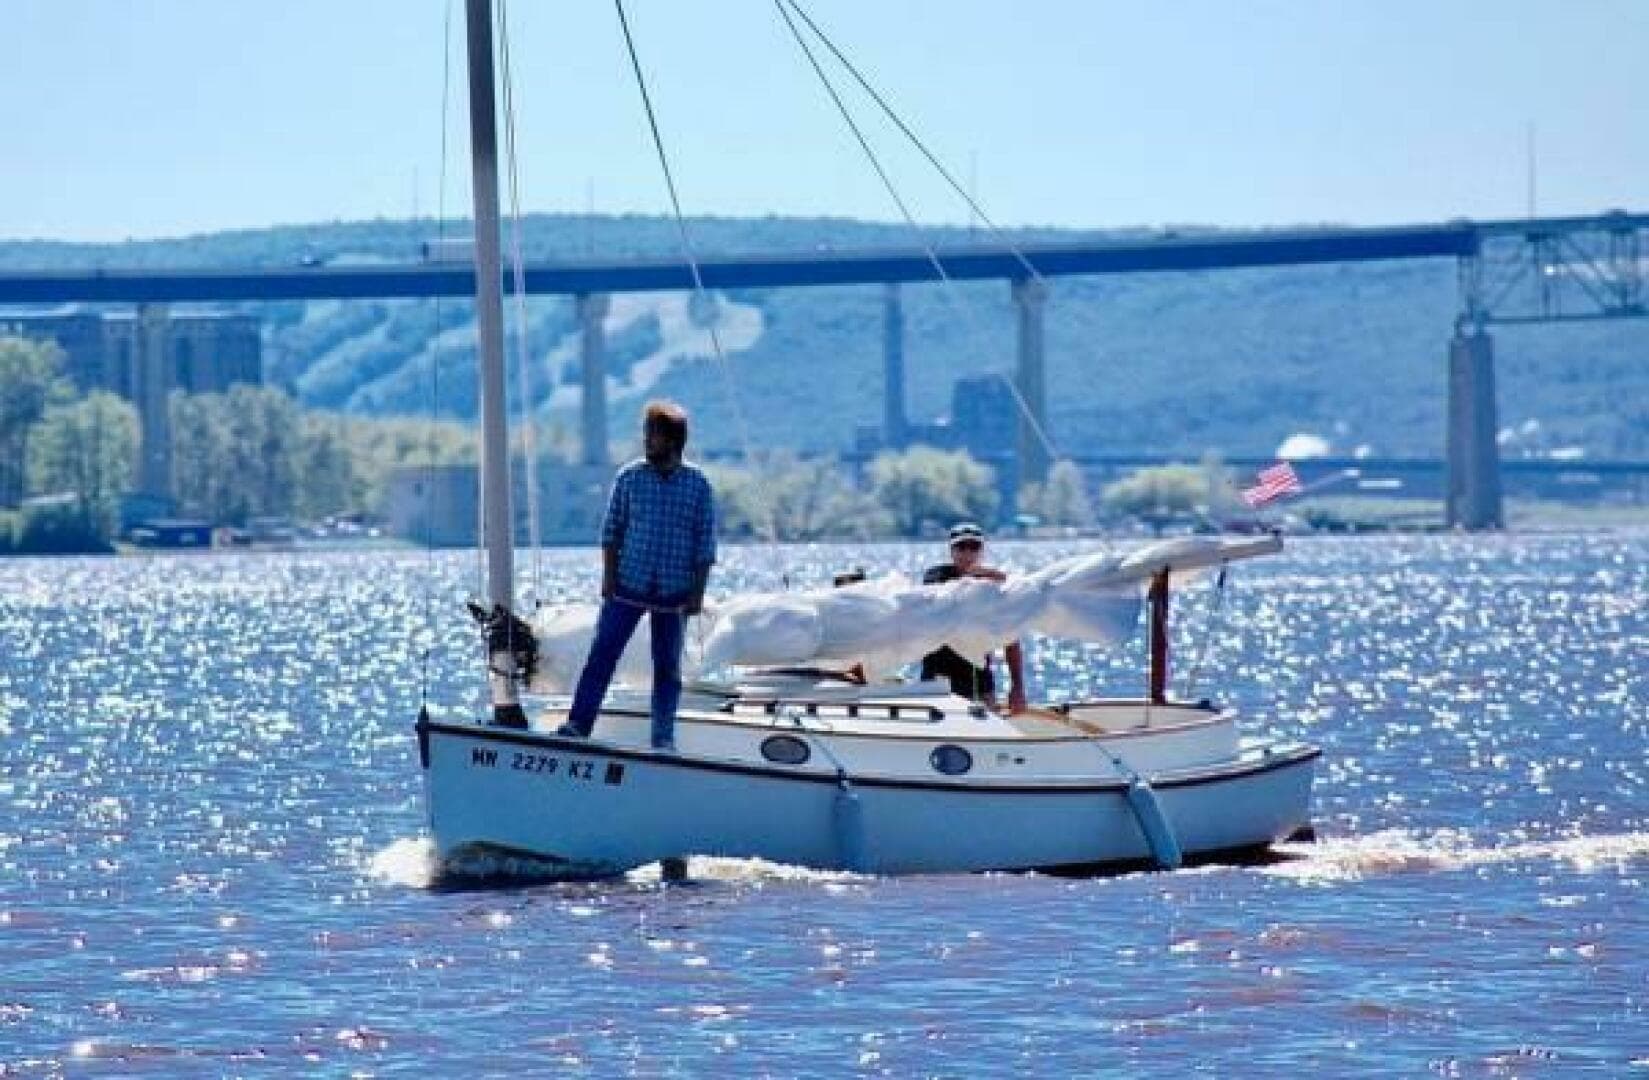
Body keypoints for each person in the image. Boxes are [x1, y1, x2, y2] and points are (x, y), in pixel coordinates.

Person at [559, 400, 716, 751]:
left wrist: (697, 594)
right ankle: (578, 724)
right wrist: (608, 578)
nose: (646, 441)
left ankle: (663, 738)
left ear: (672, 441)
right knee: (602, 656)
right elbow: (611, 531)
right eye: (646, 434)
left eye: (653, 435)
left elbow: (705, 544)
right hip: (627, 585)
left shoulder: (698, 485)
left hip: (674, 592)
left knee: (667, 669)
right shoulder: (629, 478)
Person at [919, 522, 1027, 712]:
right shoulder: (936, 576)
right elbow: (942, 592)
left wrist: (1017, 686)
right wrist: (987, 576)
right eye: (961, 547)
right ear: (951, 551)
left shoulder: (993, 589)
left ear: (981, 551)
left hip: (979, 684)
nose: (967, 553)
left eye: (974, 547)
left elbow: (1011, 640)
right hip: (938, 683)